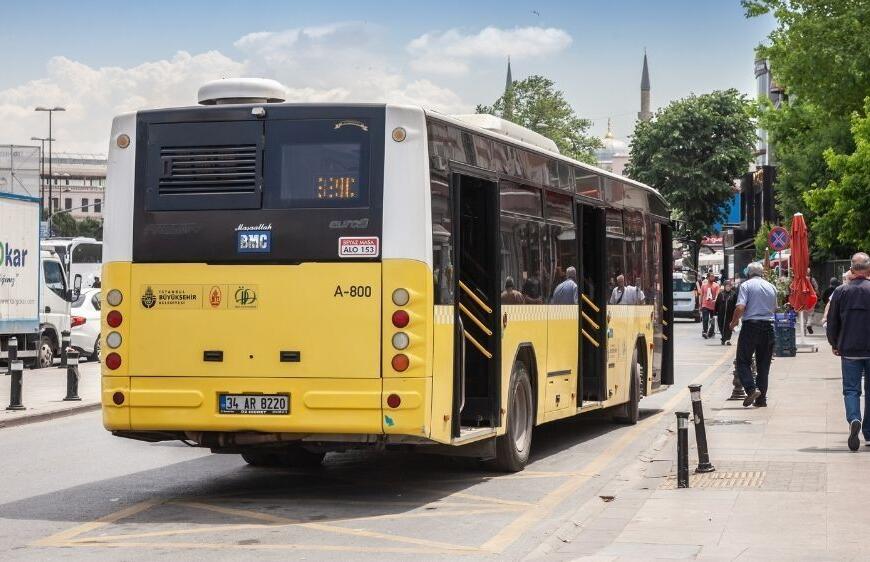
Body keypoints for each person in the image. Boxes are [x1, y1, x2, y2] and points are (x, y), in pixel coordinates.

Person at [826, 253, 870, 451]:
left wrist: (834, 343)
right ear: (868, 269)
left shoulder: (841, 291)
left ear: (852, 269)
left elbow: (833, 321)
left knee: (851, 389)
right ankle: (868, 432)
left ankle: (854, 418)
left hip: (849, 348)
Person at [729, 262, 777, 407]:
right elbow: (774, 308)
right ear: (762, 273)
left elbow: (740, 307)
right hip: (768, 326)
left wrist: (733, 322)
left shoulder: (746, 286)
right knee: (764, 365)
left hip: (751, 326)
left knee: (742, 361)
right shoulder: (771, 287)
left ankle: (751, 389)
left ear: (748, 273)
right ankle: (761, 400)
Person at [715, 279, 738, 345]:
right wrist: (715, 313)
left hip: (730, 314)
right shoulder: (721, 294)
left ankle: (728, 339)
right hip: (721, 314)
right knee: (721, 326)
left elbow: (736, 304)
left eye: (729, 286)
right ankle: (723, 338)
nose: (728, 287)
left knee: (729, 327)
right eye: (727, 286)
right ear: (724, 286)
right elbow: (717, 304)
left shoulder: (733, 294)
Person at [699, 272, 720, 339]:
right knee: (705, 318)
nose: (713, 278)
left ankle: (711, 331)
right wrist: (700, 304)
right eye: (711, 276)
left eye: (713, 276)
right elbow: (701, 295)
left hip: (713, 305)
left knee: (712, 319)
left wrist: (716, 300)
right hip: (705, 304)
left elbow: (717, 294)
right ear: (708, 278)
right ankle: (705, 331)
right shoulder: (703, 286)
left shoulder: (716, 285)